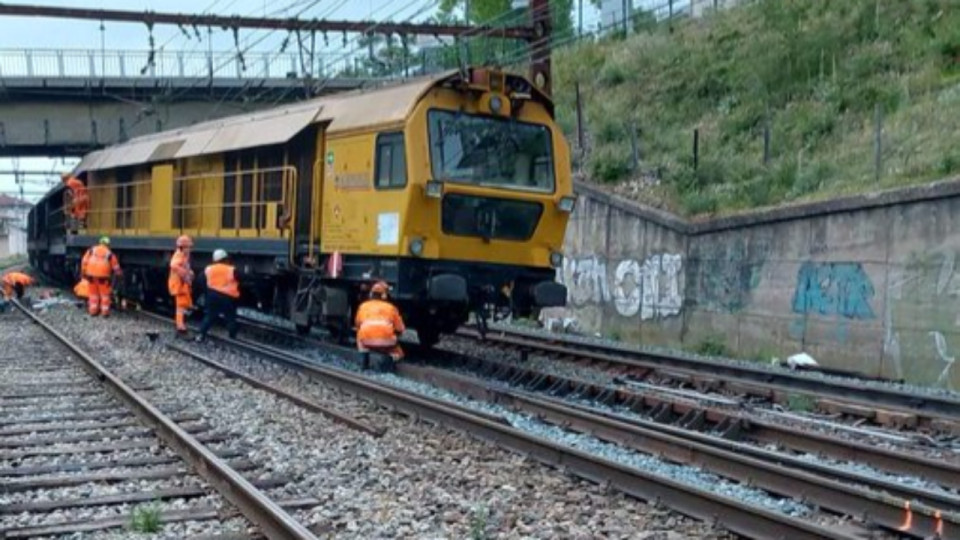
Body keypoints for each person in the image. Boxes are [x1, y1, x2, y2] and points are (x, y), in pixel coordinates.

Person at [354, 280, 406, 360]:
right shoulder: (391, 308)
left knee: (359, 334)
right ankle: (392, 359)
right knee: (399, 353)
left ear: (371, 294)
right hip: (387, 343)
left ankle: (364, 353)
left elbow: (357, 325)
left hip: (366, 342)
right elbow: (401, 329)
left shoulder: (363, 306)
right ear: (384, 295)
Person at [196, 249, 239, 342]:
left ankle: (200, 335)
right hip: (227, 297)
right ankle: (232, 335)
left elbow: (200, 280)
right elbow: (239, 281)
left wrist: (207, 291)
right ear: (225, 259)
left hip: (212, 296)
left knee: (209, 316)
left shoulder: (208, 269)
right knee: (230, 316)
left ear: (215, 260)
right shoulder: (231, 269)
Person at [81, 236, 122, 317]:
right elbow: (115, 266)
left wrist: (83, 272)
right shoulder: (109, 253)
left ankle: (93, 311)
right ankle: (105, 312)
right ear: (107, 244)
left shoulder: (92, 250)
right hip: (103, 277)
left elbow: (84, 261)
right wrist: (119, 274)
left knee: (93, 294)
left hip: (91, 275)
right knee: (105, 295)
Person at [168, 235, 195, 334]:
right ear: (182, 247)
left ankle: (181, 322)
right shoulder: (179, 255)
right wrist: (186, 273)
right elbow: (173, 265)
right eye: (188, 247)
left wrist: (189, 272)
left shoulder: (183, 255)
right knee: (181, 305)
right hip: (179, 284)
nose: (189, 249)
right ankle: (180, 325)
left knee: (185, 304)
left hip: (182, 284)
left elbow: (183, 267)